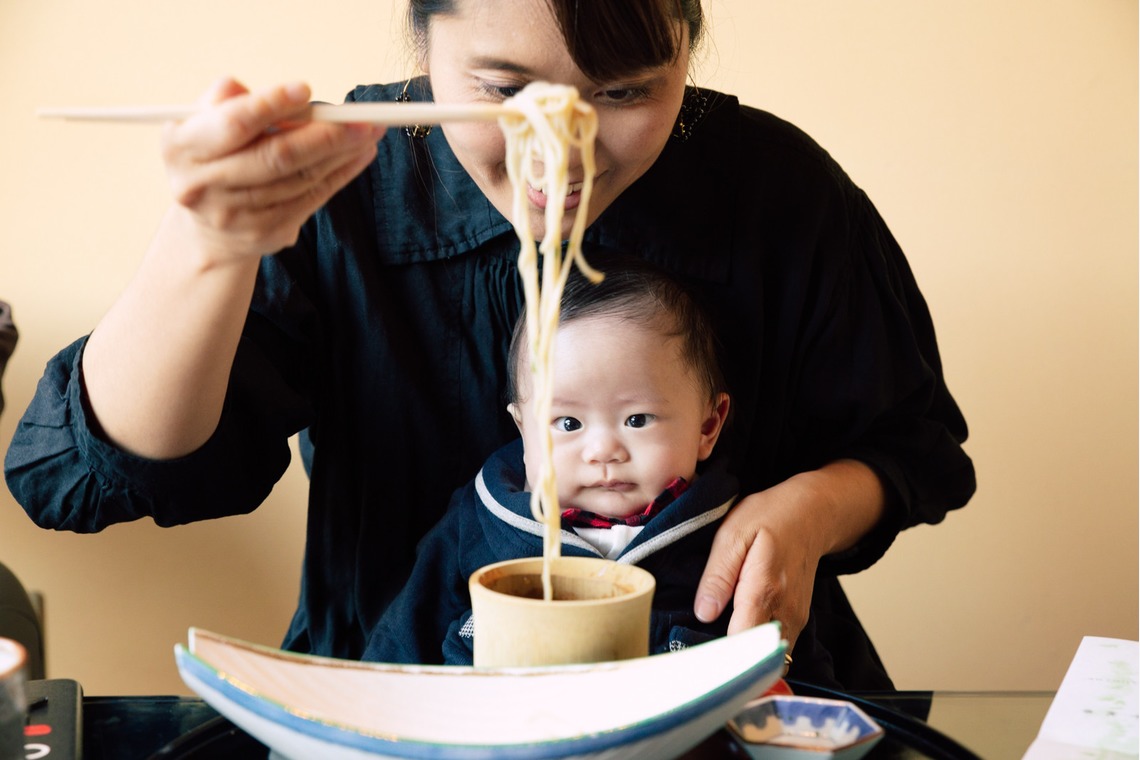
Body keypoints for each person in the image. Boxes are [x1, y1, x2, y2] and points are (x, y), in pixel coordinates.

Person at [3, 0, 975, 690]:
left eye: (629, 88)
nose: (569, 147)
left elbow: (911, 449)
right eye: (503, 88)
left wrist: (812, 508)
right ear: (424, 38)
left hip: (725, 699)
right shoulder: (348, 178)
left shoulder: (777, 189)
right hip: (395, 704)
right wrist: (206, 245)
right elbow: (87, 477)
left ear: (688, 40)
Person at [363, 256, 737, 664]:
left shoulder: (730, 538)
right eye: (569, 422)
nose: (602, 451)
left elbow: (789, 661)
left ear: (707, 426)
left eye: (637, 419)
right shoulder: (477, 524)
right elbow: (399, 646)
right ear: (524, 432)